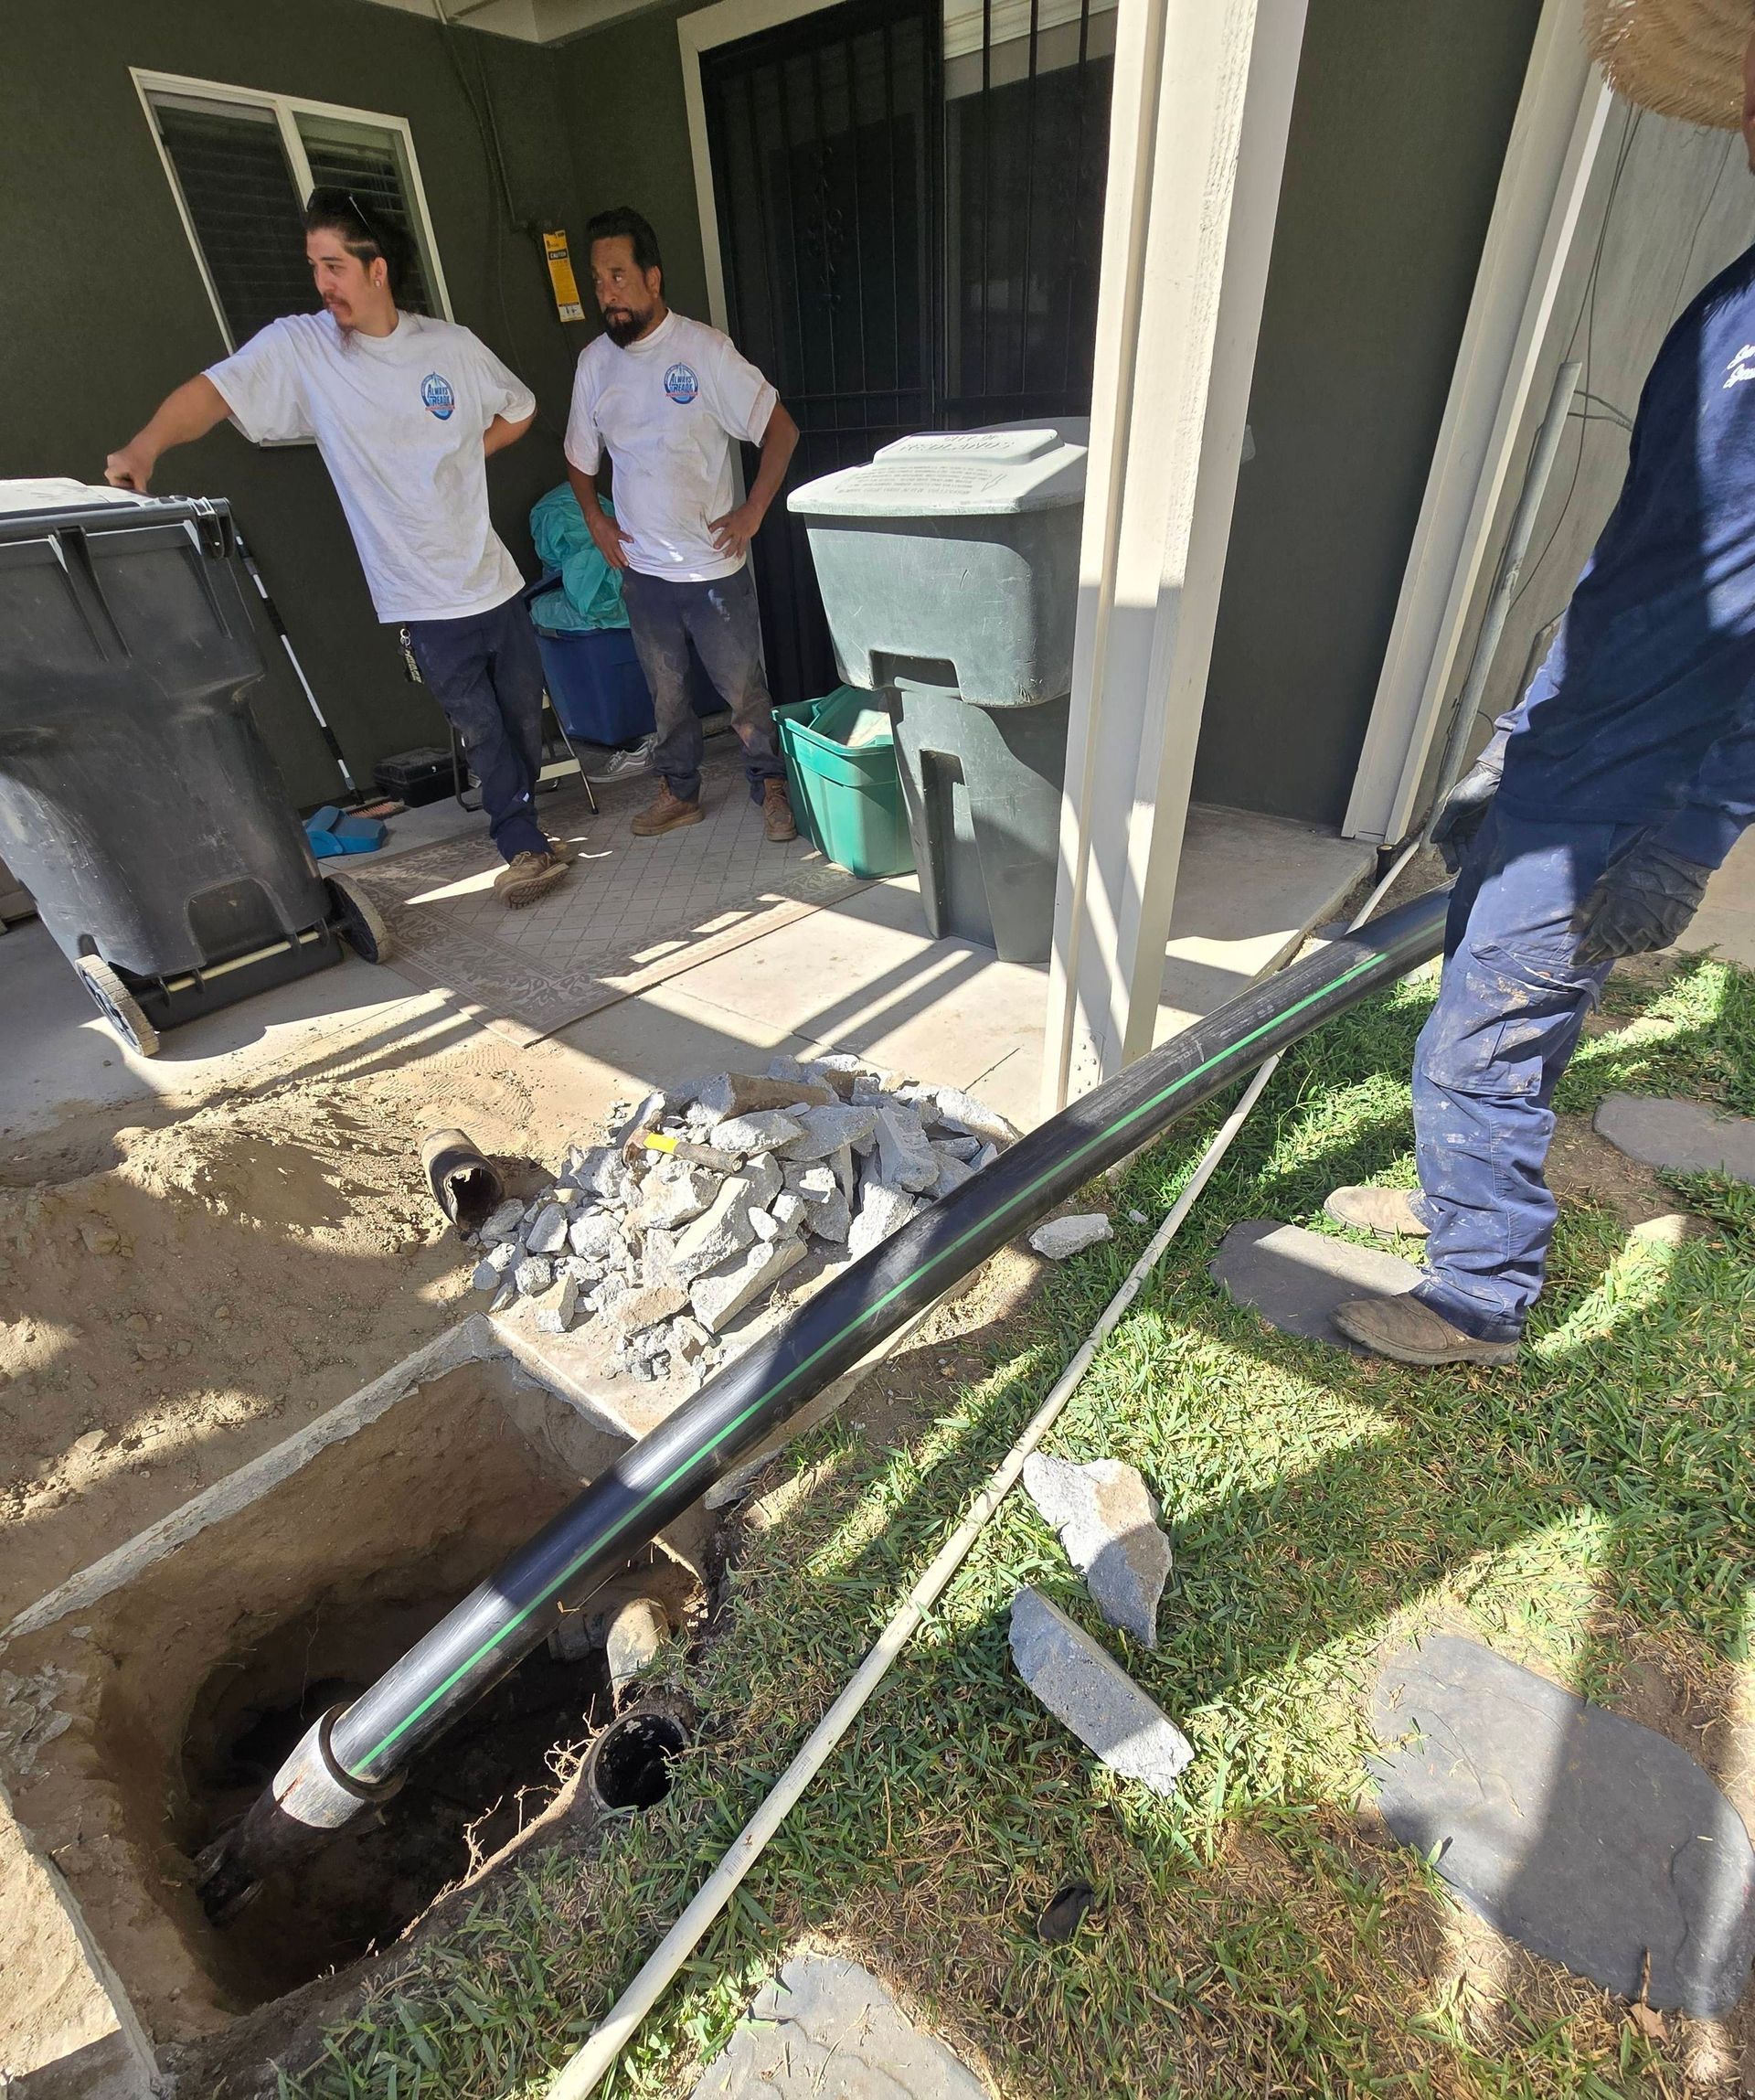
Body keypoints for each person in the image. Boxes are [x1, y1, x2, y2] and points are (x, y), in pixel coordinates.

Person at [1326, 33, 1755, 1368]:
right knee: (1501, 993)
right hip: (1578, 752)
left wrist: (1694, 827)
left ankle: (1480, 1295)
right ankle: (1469, 1193)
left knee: (1477, 1035)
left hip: (1636, 786)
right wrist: (1519, 733)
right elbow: (1638, 551)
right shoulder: (1734, 303)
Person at [105, 189, 569, 910]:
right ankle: (522, 842)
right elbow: (214, 393)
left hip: (493, 579)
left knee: (519, 716)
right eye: (314, 267)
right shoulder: (304, 347)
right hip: (421, 594)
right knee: (480, 728)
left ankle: (527, 822)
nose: (322, 284)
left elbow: (522, 407)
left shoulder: (450, 346)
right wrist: (145, 446)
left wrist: (462, 456)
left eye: (333, 266)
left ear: (376, 269)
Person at [563, 206, 801, 842]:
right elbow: (579, 459)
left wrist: (753, 510)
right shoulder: (594, 366)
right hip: (644, 572)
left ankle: (769, 786)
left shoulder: (703, 351)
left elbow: (780, 430)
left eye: (618, 276)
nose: (607, 294)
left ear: (653, 277)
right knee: (666, 697)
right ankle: (679, 791)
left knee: (744, 691)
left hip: (714, 567)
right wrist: (595, 520)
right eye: (598, 280)